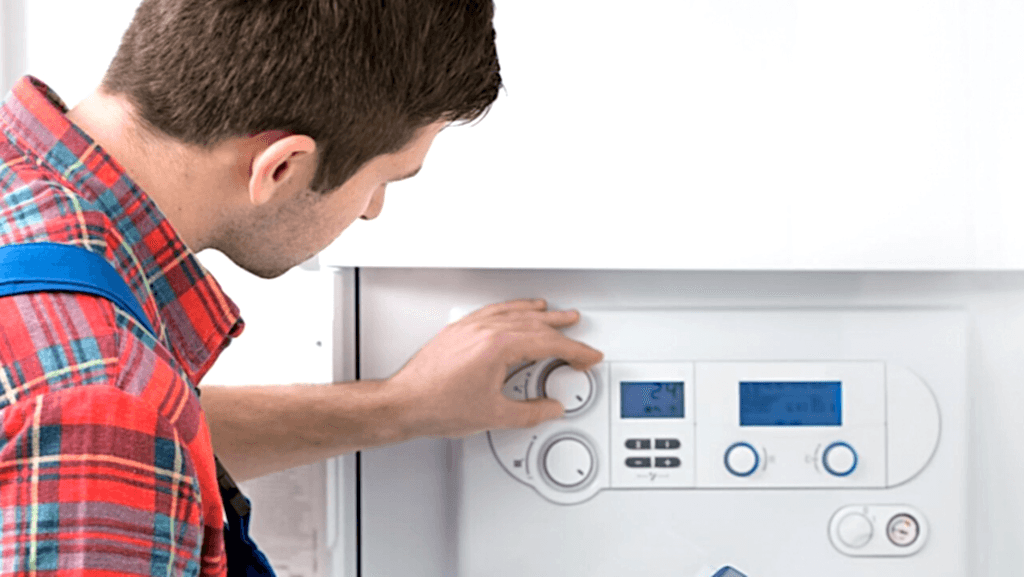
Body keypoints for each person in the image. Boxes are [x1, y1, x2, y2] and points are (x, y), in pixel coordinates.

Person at [0, 1, 603, 576]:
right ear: (281, 167)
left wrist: (402, 406)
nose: (372, 210)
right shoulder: (106, 400)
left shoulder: (25, 185)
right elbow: (110, 420)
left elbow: (133, 433)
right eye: (384, 179)